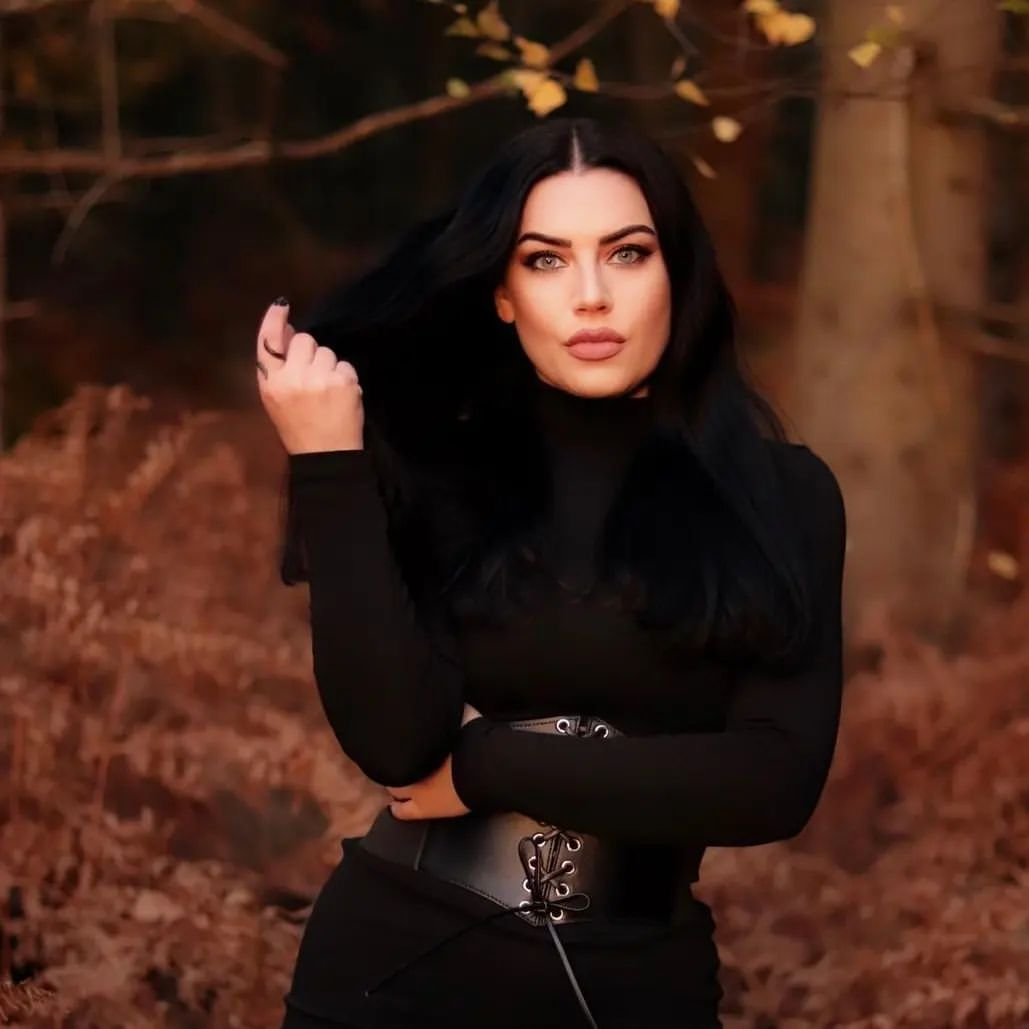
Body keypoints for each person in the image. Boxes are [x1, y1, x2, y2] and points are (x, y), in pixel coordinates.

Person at [256, 116, 847, 1029]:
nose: (590, 296)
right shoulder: (434, 468)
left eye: (626, 253)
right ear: (502, 293)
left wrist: (483, 762)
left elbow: (774, 781)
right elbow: (394, 745)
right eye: (545, 260)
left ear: (677, 272)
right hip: (395, 969)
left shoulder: (783, 495)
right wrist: (328, 462)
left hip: (642, 985)